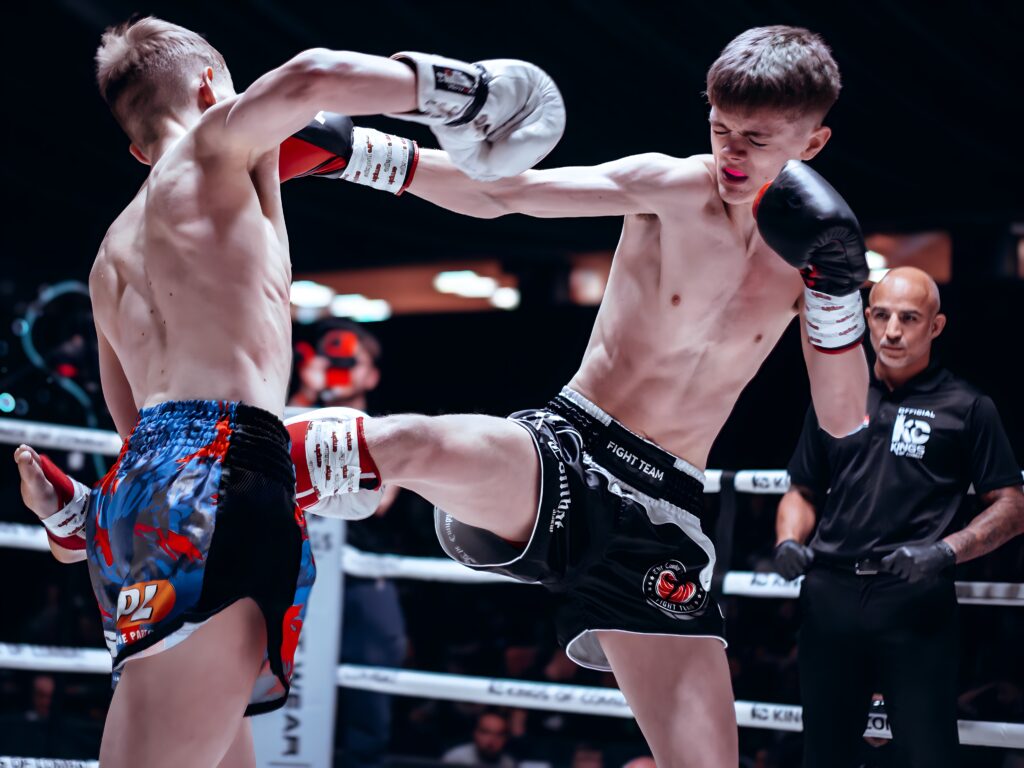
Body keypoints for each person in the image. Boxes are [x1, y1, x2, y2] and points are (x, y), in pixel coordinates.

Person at [285, 25, 871, 767]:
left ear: (813, 143)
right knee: (406, 442)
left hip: (664, 512)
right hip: (570, 449)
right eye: (721, 128)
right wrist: (359, 156)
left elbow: (842, 417)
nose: (731, 153)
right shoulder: (673, 185)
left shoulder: (817, 258)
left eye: (756, 140)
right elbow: (508, 195)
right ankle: (210, 480)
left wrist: (837, 294)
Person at [14, 16, 562, 767]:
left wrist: (91, 519)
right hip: (222, 476)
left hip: (149, 493)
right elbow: (310, 76)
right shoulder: (211, 146)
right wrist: (464, 93)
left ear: (135, 149)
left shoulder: (107, 257)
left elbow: (134, 429)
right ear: (213, 89)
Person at [774, 267, 1024, 767]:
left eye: (909, 318)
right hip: (829, 594)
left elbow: (1012, 505)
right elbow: (801, 489)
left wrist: (944, 552)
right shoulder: (835, 397)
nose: (892, 331)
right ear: (866, 318)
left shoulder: (968, 406)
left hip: (913, 598)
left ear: (935, 326)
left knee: (928, 754)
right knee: (823, 754)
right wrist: (787, 541)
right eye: (882, 316)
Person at [290, 321, 407, 767]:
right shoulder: (291, 418)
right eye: (330, 359)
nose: (338, 368)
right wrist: (306, 394)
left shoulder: (389, 430)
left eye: (349, 361)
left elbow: (378, 502)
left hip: (361, 580)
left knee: (368, 705)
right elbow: (266, 461)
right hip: (296, 572)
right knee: (282, 693)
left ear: (371, 375)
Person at [442, 710, 518, 768]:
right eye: (486, 732)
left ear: (506, 738)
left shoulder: (508, 764)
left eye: (499, 734)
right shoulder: (455, 759)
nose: (492, 740)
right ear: (475, 733)